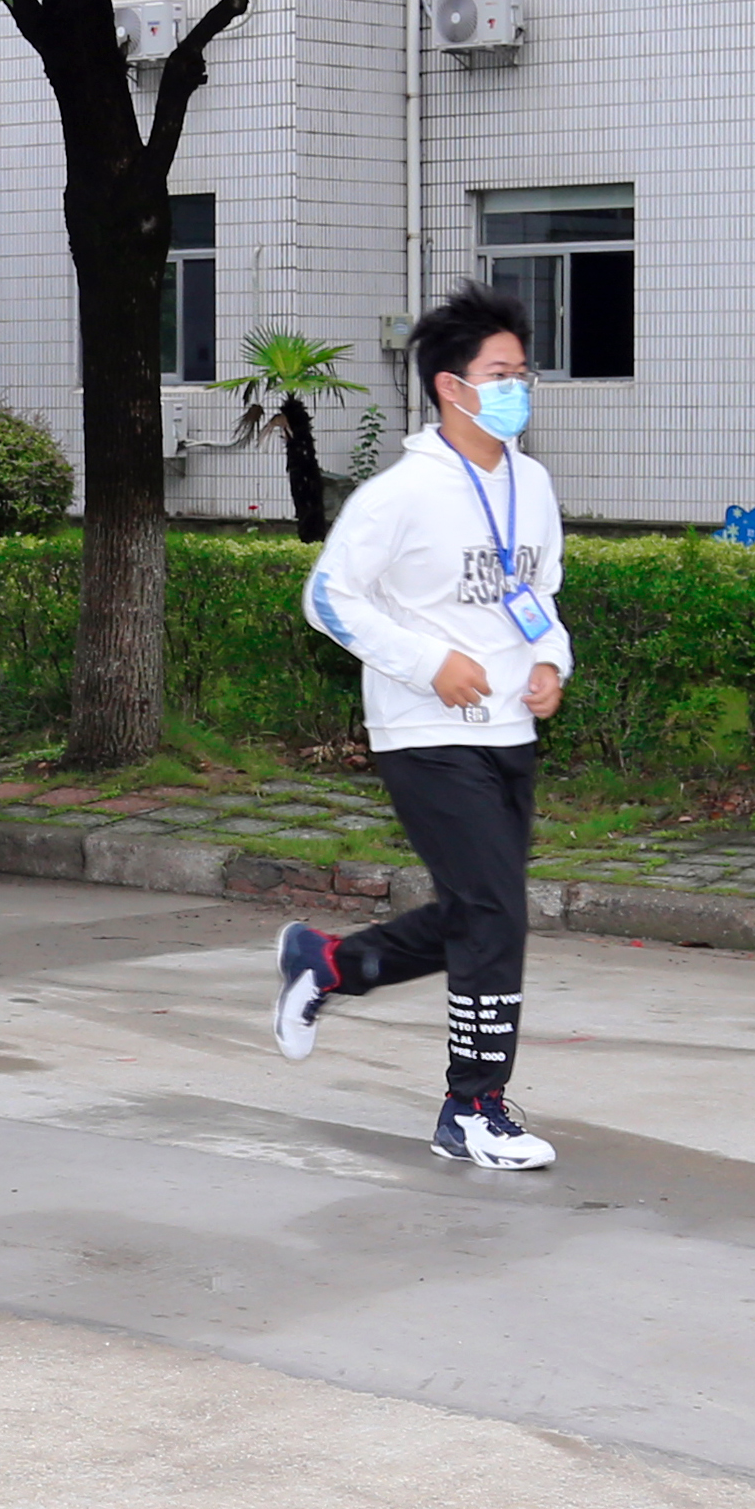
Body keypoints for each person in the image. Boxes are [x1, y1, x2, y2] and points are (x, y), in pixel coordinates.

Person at [280, 282, 575, 1172]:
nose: (517, 386)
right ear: (452, 387)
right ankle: (472, 1108)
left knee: (475, 912)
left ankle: (329, 965)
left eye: (522, 371)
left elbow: (536, 597)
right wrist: (425, 664)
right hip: (423, 730)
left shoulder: (531, 483)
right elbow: (327, 597)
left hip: (506, 733)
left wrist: (552, 660)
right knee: (494, 913)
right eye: (501, 372)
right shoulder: (400, 492)